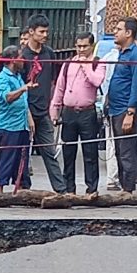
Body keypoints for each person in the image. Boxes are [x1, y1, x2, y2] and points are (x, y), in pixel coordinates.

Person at [51, 25, 107, 193]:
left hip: (87, 112)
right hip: (69, 113)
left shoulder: (98, 63)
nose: (81, 49)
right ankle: (69, 189)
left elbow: (97, 81)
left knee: (90, 153)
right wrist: (54, 111)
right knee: (68, 152)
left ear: (92, 46)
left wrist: (86, 65)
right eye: (79, 46)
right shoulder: (68, 63)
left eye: (85, 46)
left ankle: (91, 189)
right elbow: (60, 87)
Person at [15, 20, 64, 192]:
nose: (45, 35)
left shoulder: (49, 53)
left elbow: (54, 81)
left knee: (49, 152)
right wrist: (27, 113)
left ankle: (60, 189)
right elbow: (18, 85)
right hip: (24, 111)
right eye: (41, 32)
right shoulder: (22, 56)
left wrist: (54, 107)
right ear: (31, 32)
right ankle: (23, 188)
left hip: (43, 112)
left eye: (46, 32)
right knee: (22, 153)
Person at [104, 17, 137, 191]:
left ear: (129, 33)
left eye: (118, 29)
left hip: (126, 111)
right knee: (119, 152)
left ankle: (128, 190)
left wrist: (130, 113)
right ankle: (124, 187)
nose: (115, 32)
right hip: (115, 110)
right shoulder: (121, 53)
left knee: (127, 153)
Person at [0, 53, 31, 190]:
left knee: (21, 160)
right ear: (13, 60)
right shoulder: (2, 79)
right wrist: (23, 88)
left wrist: (30, 121)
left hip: (21, 125)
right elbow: (8, 97)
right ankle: (0, 189)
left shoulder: (18, 77)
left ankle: (20, 188)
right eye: (20, 57)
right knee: (7, 158)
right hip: (9, 126)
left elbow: (24, 103)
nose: (23, 60)